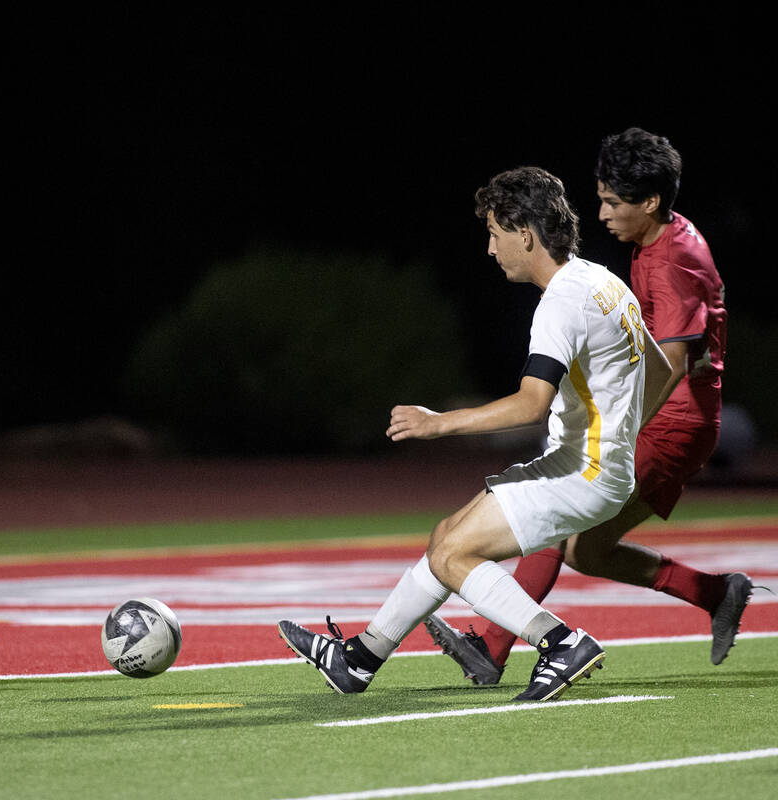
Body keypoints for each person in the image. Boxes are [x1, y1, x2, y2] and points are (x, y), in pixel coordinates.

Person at [279, 166, 671, 701]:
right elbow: (664, 369)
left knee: (453, 558)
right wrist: (622, 433)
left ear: (525, 235)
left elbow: (532, 404)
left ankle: (559, 642)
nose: (490, 248)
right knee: (447, 537)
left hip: (583, 472)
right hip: (594, 465)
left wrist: (440, 422)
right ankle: (361, 659)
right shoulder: (603, 281)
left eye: (494, 233)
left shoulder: (560, 301)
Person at [424, 128, 747, 686]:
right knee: (587, 550)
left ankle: (493, 649)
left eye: (612, 202)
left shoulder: (671, 261)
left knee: (557, 513)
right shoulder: (662, 238)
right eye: (600, 198)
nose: (600, 214)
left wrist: (610, 433)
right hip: (664, 412)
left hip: (671, 420)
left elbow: (668, 367)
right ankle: (715, 592)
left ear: (649, 202)